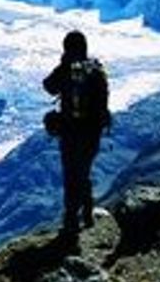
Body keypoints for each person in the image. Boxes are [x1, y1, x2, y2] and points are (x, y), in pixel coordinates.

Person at [42, 30, 110, 246]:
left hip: (71, 131)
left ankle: (71, 220)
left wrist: (63, 65)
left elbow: (48, 86)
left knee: (72, 174)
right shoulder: (96, 70)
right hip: (92, 132)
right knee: (83, 171)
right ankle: (87, 213)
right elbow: (103, 102)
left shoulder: (65, 71)